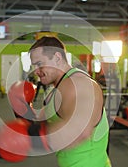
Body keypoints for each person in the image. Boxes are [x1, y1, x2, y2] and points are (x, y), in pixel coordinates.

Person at [28, 36, 111, 167]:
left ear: (57, 58)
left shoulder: (80, 84)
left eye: (39, 64)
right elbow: (42, 119)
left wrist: (32, 139)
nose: (36, 71)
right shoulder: (57, 89)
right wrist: (24, 108)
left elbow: (80, 130)